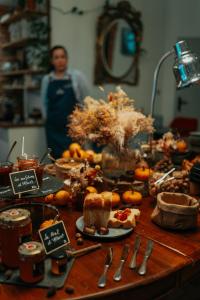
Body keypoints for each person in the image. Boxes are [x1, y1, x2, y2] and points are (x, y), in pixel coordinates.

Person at [41, 45, 89, 158]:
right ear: (52, 61)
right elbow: (44, 103)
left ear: (67, 59)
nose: (60, 60)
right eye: (56, 57)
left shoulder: (77, 77)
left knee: (76, 160)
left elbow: (86, 101)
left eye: (62, 57)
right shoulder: (47, 80)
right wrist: (48, 121)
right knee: (56, 163)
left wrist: (83, 124)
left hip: (73, 130)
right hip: (53, 131)